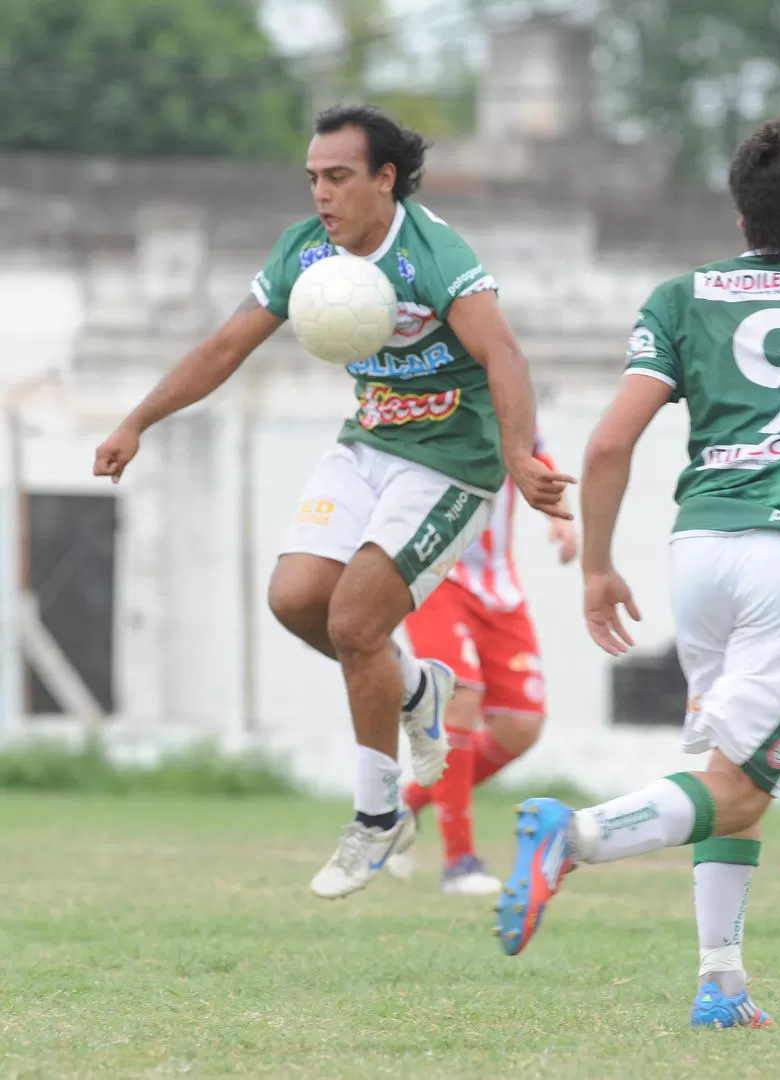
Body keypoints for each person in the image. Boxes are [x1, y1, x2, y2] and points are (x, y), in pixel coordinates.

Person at [493, 116, 780, 1029]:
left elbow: (612, 438)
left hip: (700, 547)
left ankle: (721, 985)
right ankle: (572, 838)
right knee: (740, 781)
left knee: (722, 774)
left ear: (741, 212)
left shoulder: (679, 297)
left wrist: (596, 565)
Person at [92, 104, 573, 900]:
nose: (322, 193)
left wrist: (520, 456)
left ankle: (378, 817)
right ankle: (417, 688)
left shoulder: (433, 253)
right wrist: (137, 420)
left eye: (339, 176)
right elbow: (225, 346)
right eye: (314, 177)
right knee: (294, 599)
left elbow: (504, 352)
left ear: (385, 179)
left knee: (355, 622)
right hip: (366, 446)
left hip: (450, 464)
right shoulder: (304, 250)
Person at [387, 432, 579, 895]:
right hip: (434, 572)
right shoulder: (432, 381)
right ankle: (460, 865)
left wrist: (559, 516)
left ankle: (403, 807)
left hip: (497, 583)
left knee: (520, 726)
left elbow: (533, 450)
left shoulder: (508, 385)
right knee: (459, 695)